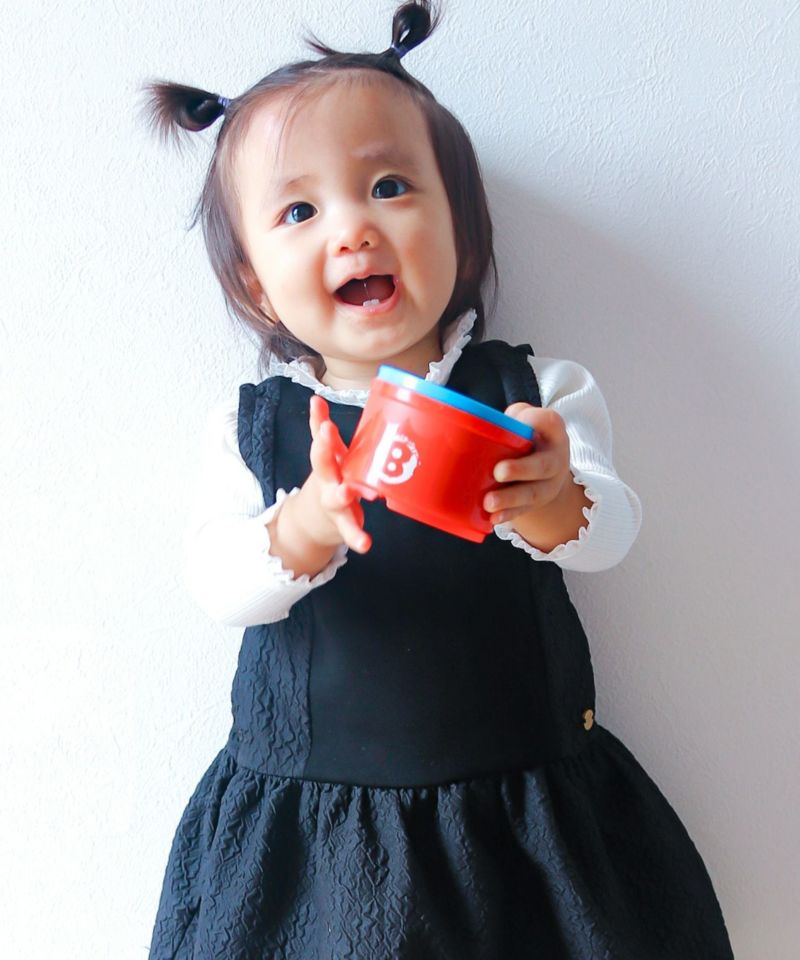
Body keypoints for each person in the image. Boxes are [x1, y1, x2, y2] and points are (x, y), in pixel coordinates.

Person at [142, 2, 734, 957]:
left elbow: (614, 532)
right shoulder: (254, 431)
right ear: (256, 284)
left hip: (522, 823)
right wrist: (304, 527)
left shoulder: (534, 396)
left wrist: (551, 499)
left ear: (461, 229)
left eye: (389, 186)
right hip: (319, 839)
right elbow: (217, 585)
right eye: (300, 211)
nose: (354, 229)